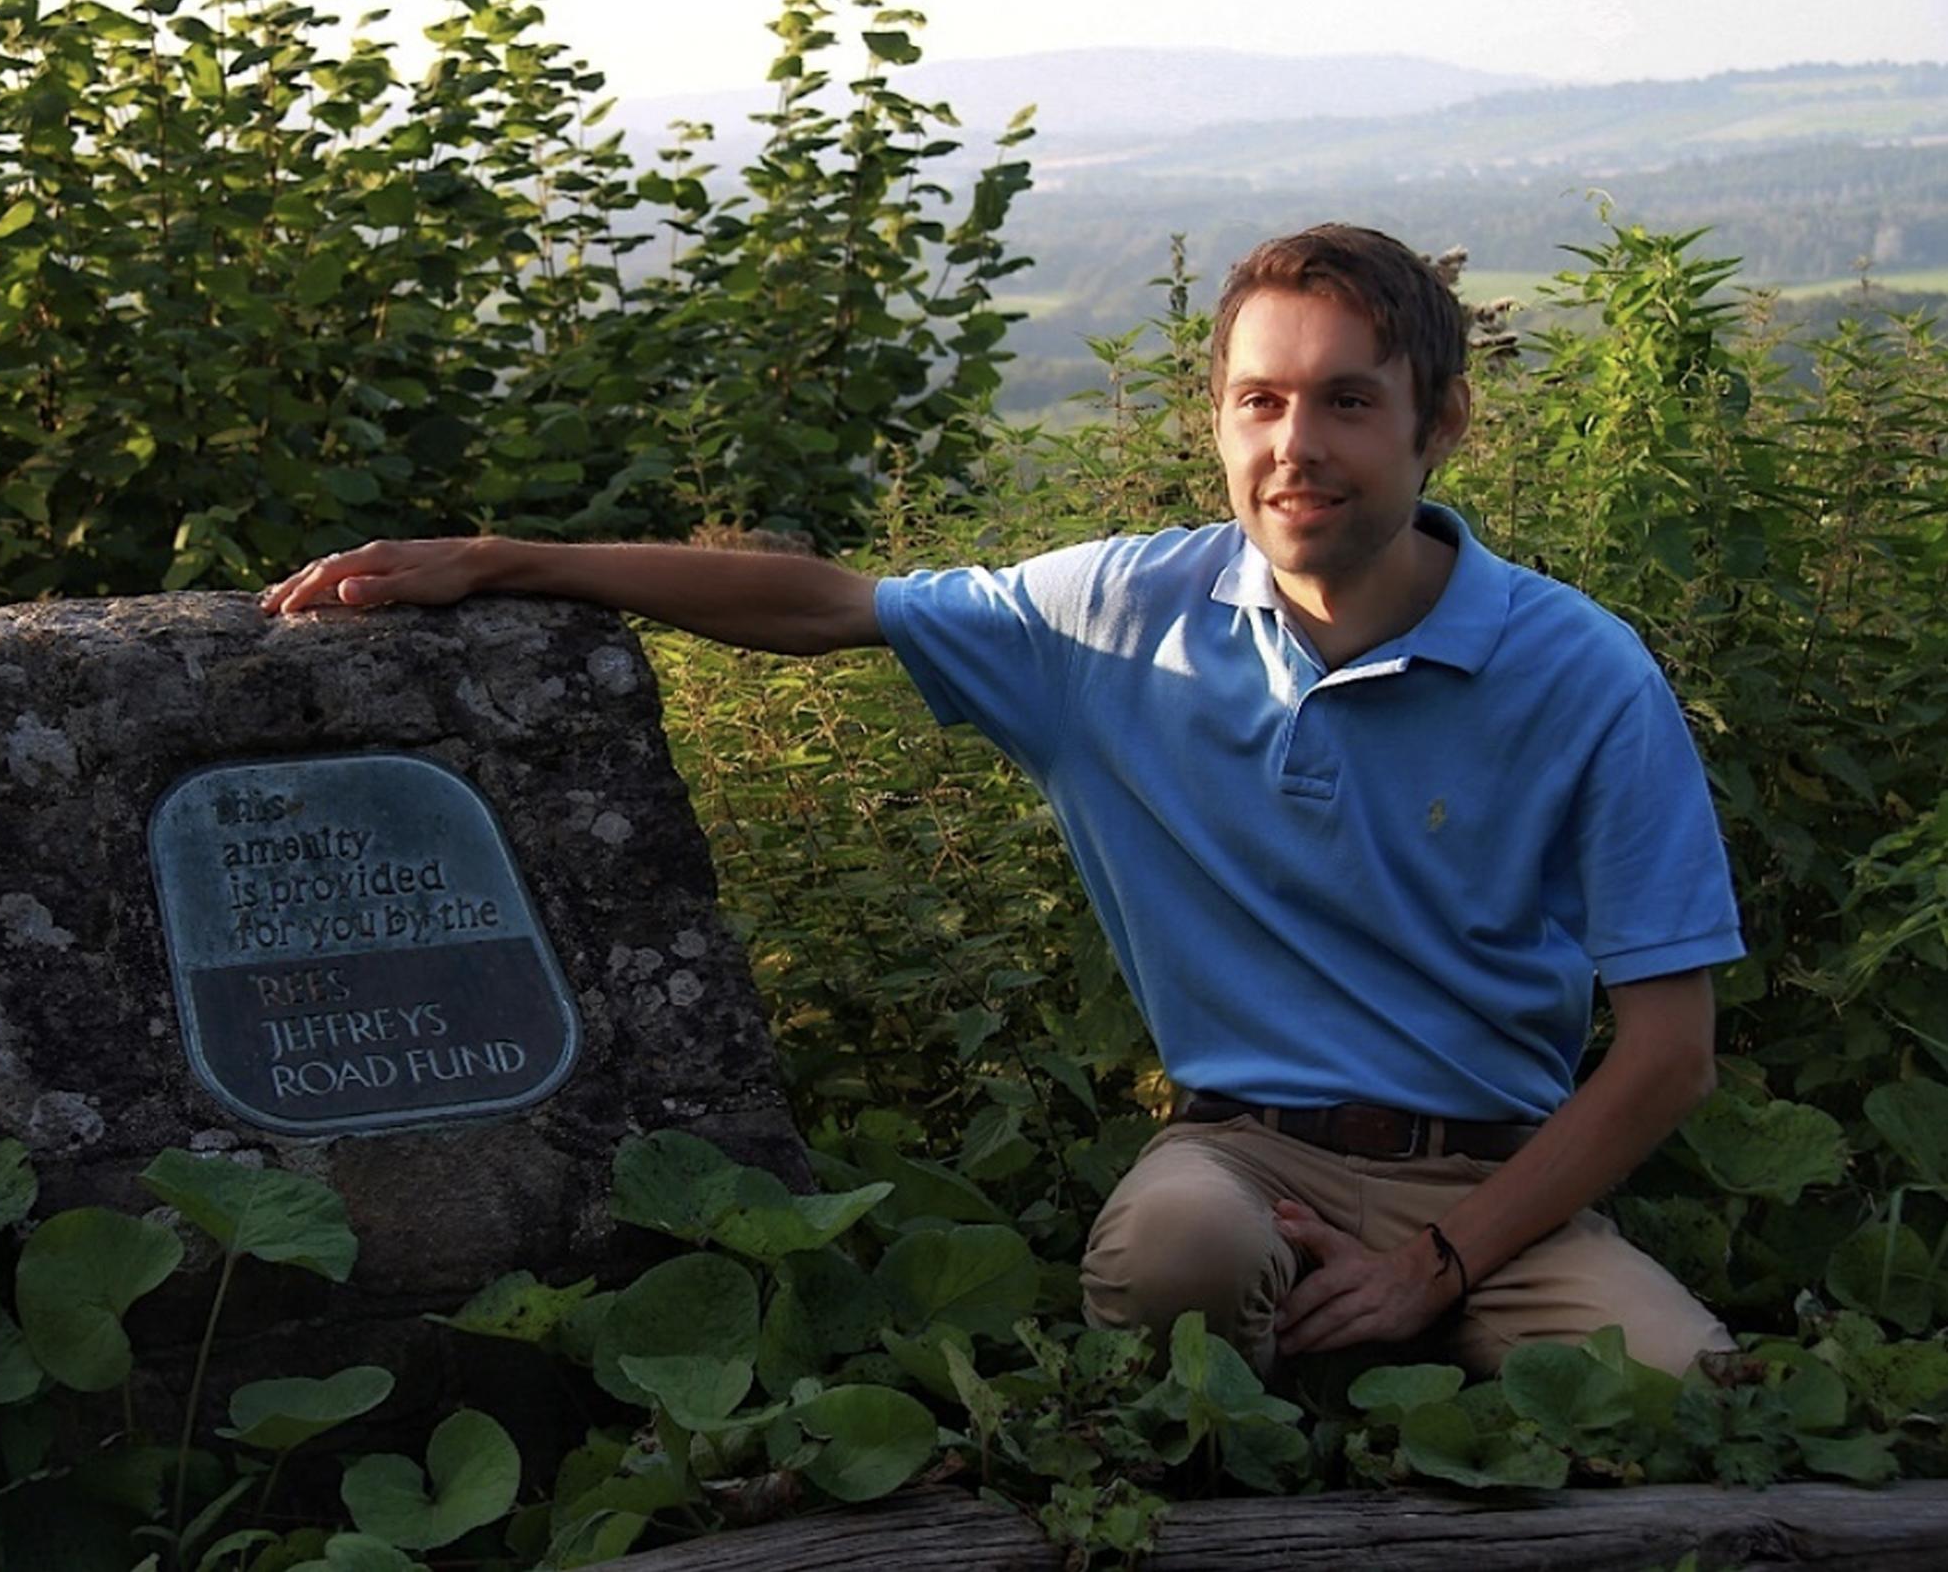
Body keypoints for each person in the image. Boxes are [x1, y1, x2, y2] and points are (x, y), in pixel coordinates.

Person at [260, 224, 1741, 1379]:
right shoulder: (1113, 620)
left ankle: (1398, 1352)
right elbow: (827, 603)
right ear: (1217, 423)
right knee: (1173, 1258)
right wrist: (504, 557)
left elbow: (1666, 1056)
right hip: (1241, 1155)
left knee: (1682, 1395)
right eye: (1260, 401)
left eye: (1348, 401)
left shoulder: (1576, 671)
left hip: (1492, 1174)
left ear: (1441, 425)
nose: (1297, 445)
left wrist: (1444, 1258)